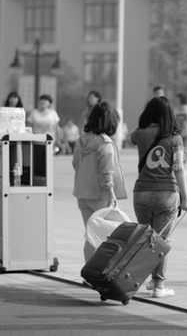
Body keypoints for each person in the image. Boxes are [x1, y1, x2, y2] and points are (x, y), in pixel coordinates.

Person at [126, 96, 187, 298]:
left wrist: (144, 128)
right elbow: (179, 169)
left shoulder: (140, 134)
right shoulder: (176, 138)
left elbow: (128, 140)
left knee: (147, 239)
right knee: (162, 240)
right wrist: (186, 197)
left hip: (141, 194)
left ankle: (149, 279)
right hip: (166, 194)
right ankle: (158, 286)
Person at [72, 101, 127, 263]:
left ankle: (89, 274)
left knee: (91, 234)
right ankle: (101, 272)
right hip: (101, 196)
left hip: (82, 194)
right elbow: (107, 172)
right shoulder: (106, 144)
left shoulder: (81, 140)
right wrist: (111, 194)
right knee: (107, 236)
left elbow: (75, 164)